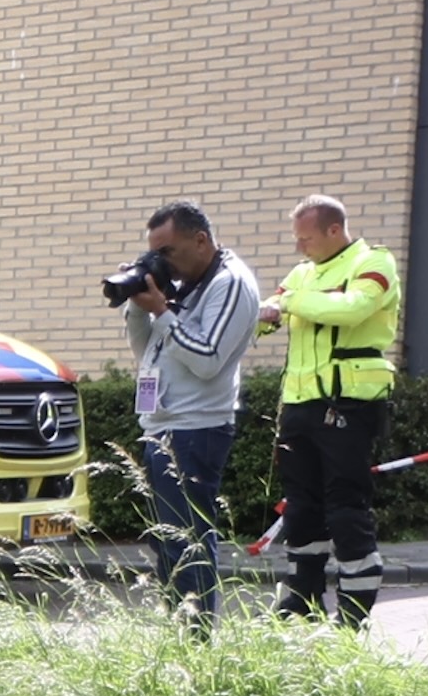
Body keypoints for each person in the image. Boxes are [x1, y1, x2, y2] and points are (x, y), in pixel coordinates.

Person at [260, 196, 403, 626]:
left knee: (346, 507)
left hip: (348, 403)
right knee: (301, 508)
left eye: (305, 239)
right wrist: (265, 313)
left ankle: (353, 614)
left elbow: (352, 309)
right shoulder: (303, 274)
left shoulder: (372, 262)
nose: (299, 248)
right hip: (300, 407)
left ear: (333, 231)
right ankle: (300, 602)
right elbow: (269, 312)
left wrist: (288, 303)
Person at [119, 201, 261, 631]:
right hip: (163, 427)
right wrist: (139, 306)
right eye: (155, 254)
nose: (164, 263)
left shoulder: (229, 282)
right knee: (167, 543)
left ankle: (196, 640)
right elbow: (148, 352)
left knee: (189, 541)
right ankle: (179, 629)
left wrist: (162, 311)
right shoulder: (188, 283)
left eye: (169, 252)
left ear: (201, 240)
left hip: (195, 429)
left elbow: (208, 359)